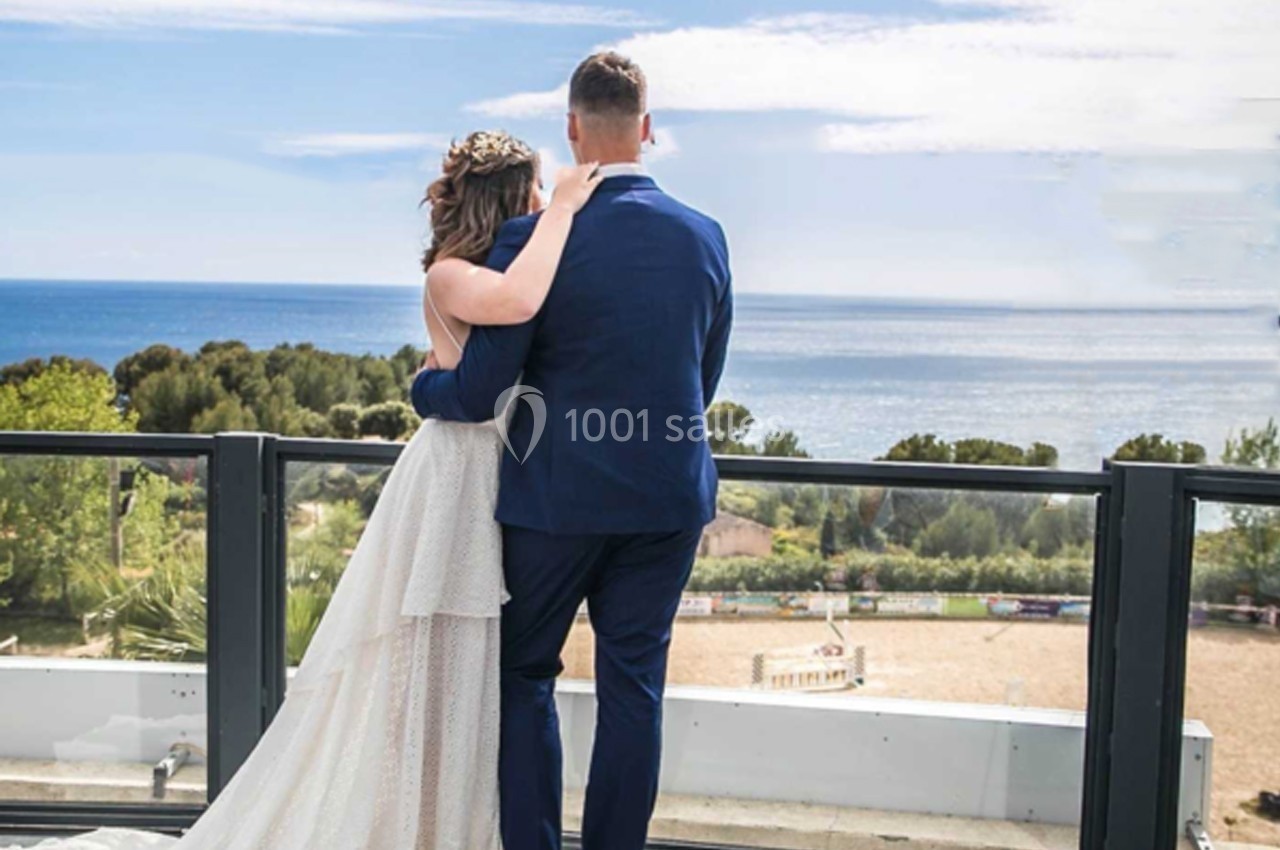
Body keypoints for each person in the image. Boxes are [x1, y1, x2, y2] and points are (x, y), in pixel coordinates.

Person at [3, 136, 603, 850]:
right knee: (432, 659)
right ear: (507, 198)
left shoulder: (507, 264)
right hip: (456, 479)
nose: (541, 200)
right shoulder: (450, 276)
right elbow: (517, 300)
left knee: (474, 662)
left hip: (502, 469)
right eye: (533, 189)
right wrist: (566, 208)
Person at [412, 51, 733, 850]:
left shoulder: (527, 241)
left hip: (552, 504)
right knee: (635, 689)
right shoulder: (707, 237)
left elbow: (488, 386)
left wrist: (423, 391)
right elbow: (704, 377)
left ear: (573, 129)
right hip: (665, 498)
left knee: (524, 677)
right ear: (648, 131)